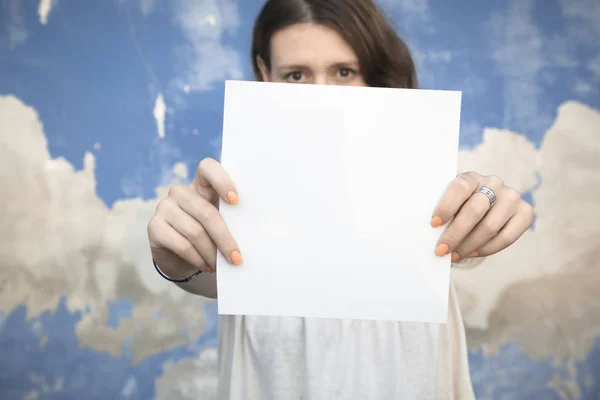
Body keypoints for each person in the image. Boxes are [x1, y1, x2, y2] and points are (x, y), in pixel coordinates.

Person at [147, 0, 535, 398]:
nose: (321, 97)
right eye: (296, 75)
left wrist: (488, 209)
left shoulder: (428, 176)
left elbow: (465, 247)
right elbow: (213, 278)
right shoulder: (233, 187)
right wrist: (176, 261)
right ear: (264, 73)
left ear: (374, 72)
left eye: (344, 72)